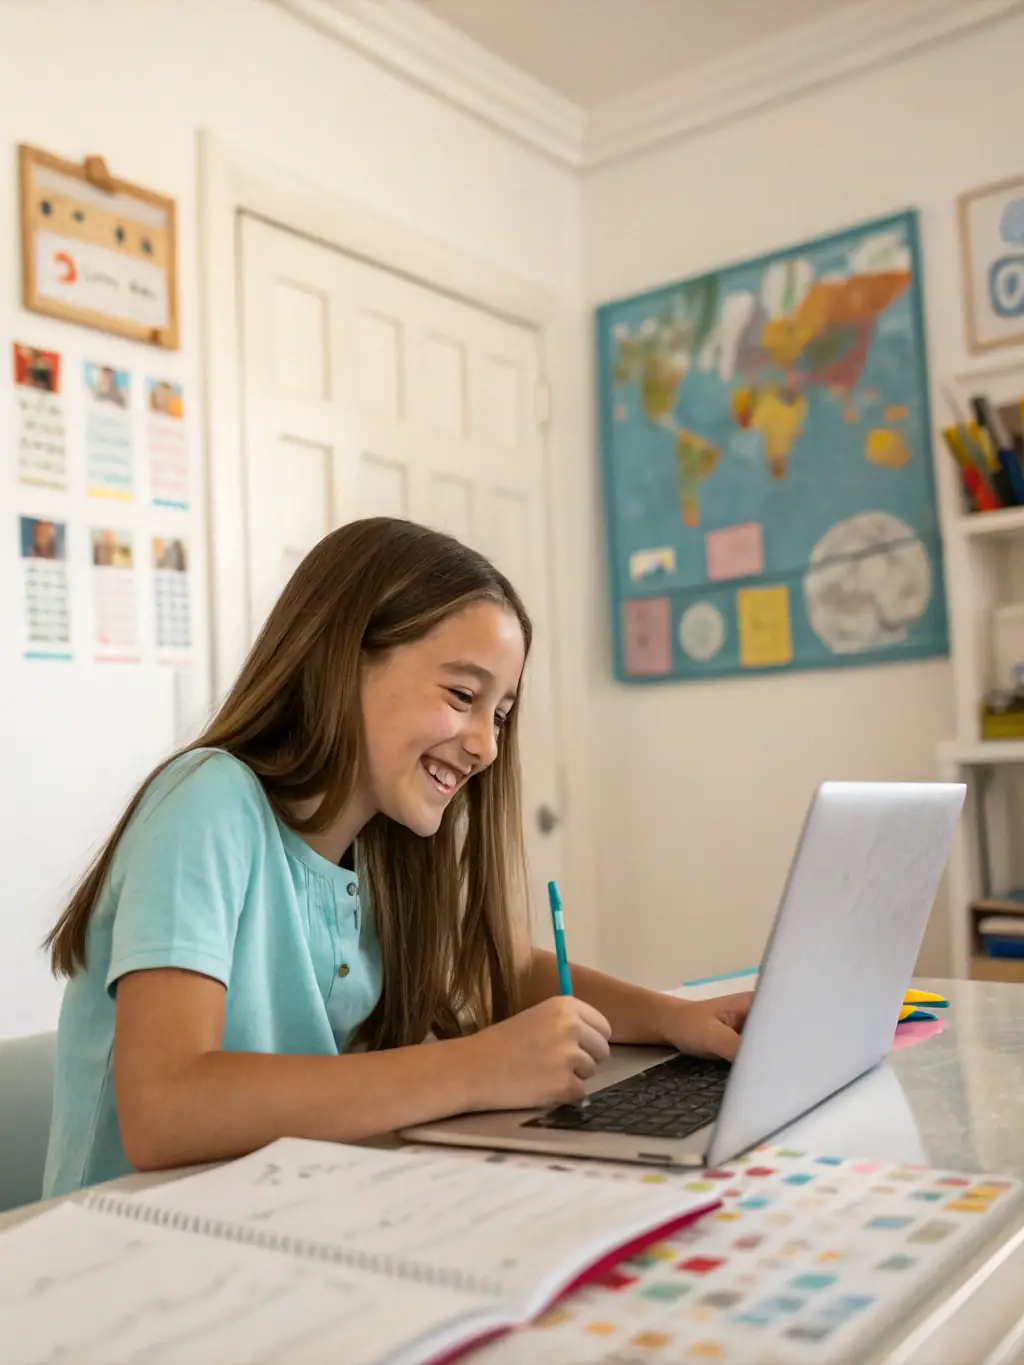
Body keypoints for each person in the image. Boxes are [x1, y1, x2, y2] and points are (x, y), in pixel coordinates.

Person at [43, 518, 751, 1197]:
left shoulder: (385, 844)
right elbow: (165, 1109)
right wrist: (477, 1067)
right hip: (127, 1263)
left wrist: (673, 1018)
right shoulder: (207, 800)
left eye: (499, 714)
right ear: (341, 660)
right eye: (462, 695)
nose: (487, 746)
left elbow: (505, 967)